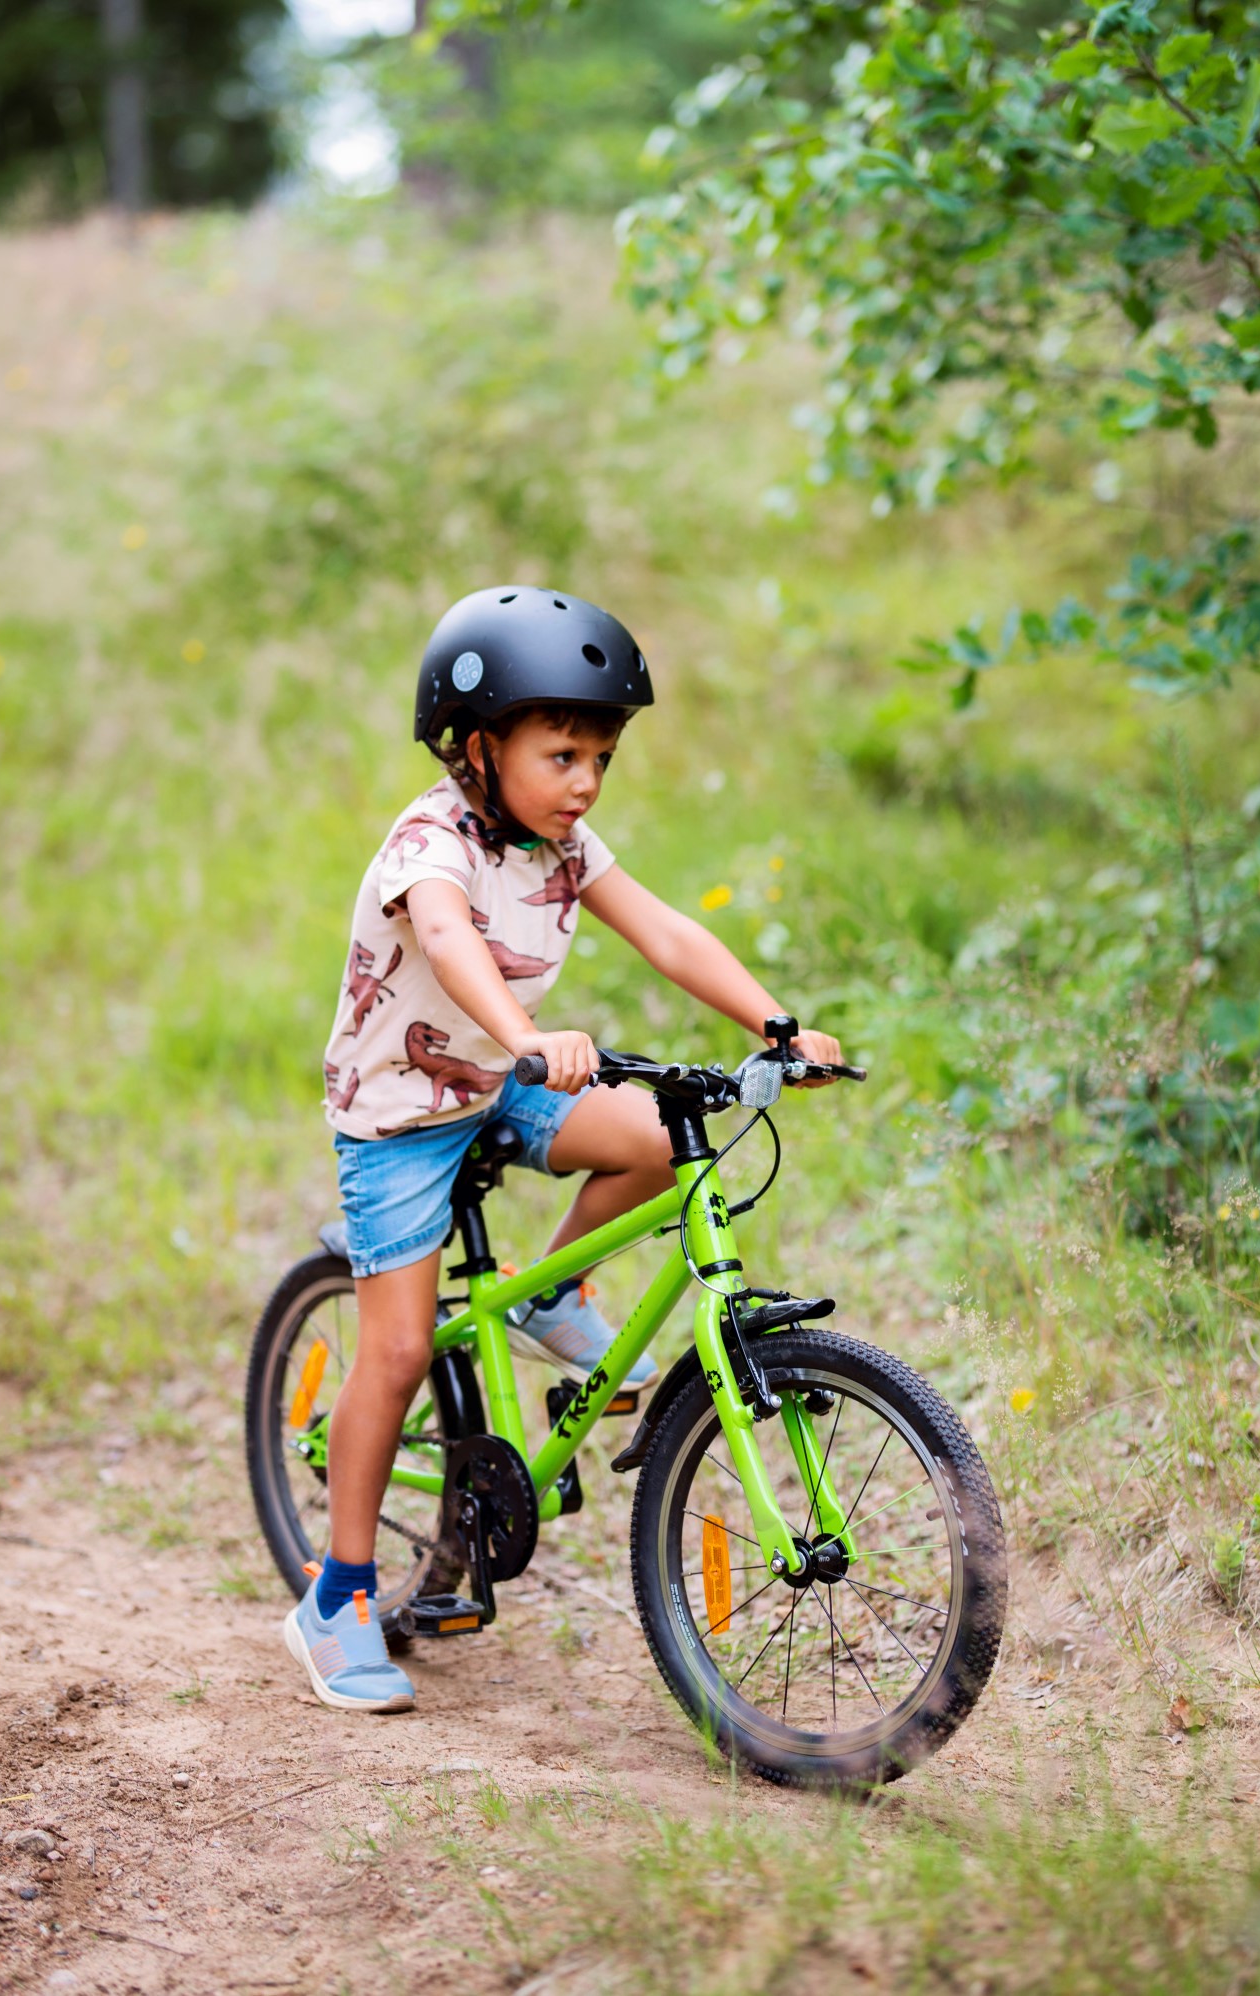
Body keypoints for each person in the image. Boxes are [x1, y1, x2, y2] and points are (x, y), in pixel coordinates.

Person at [285, 585, 844, 1711]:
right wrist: (527, 1036)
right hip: (401, 1109)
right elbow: (447, 941)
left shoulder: (566, 843)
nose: (583, 781)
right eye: (560, 753)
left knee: (654, 1136)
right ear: (478, 748)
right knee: (393, 1353)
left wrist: (772, 1025)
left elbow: (668, 931)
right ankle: (337, 1596)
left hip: (500, 1080)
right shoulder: (426, 841)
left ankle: (556, 1292)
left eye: (599, 755)